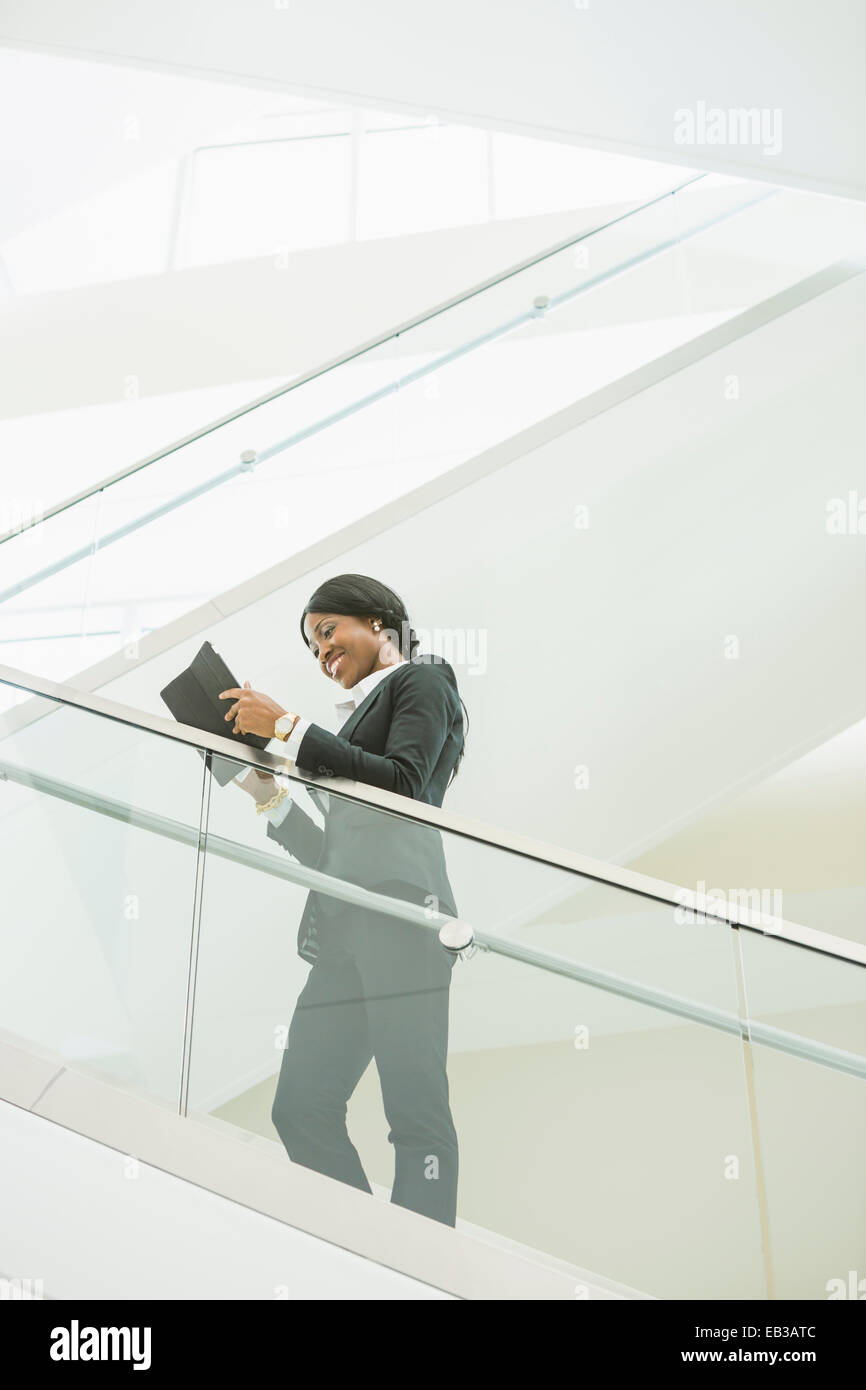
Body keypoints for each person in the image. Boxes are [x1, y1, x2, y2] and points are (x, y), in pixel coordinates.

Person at [218, 574, 467, 1227]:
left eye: (327, 632)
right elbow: (337, 851)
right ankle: (370, 1249)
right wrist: (266, 793)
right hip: (344, 929)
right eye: (313, 647)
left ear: (379, 621)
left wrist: (288, 727)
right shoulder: (350, 734)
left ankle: (420, 1264)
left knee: (414, 1107)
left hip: (405, 917)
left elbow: (405, 783)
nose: (322, 653)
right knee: (299, 1106)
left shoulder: (425, 679)